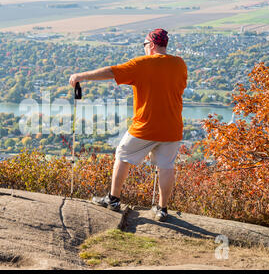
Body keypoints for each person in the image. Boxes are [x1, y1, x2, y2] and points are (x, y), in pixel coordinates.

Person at [68, 28, 187, 222]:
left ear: (153, 45)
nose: (144, 49)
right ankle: (162, 209)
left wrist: (81, 76)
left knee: (122, 155)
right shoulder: (180, 64)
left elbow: (111, 72)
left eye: (145, 45)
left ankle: (113, 199)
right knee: (166, 166)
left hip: (145, 126)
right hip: (173, 128)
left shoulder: (142, 64)